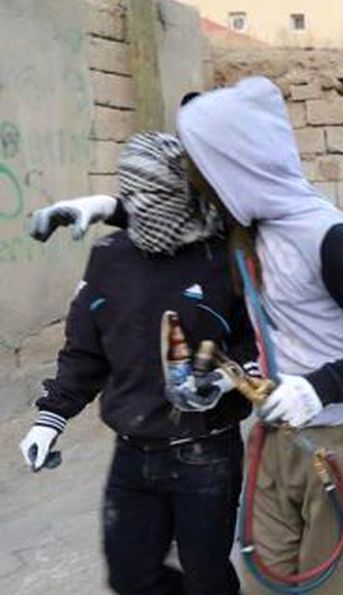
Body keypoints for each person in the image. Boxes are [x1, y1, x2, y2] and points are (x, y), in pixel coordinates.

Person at [178, 77, 343, 595]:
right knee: (265, 580)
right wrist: (229, 378)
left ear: (239, 167)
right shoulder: (249, 232)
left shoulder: (326, 235)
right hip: (275, 436)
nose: (202, 188)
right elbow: (270, 328)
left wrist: (317, 388)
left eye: (207, 172)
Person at [18, 132, 253, 594]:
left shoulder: (224, 258)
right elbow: (85, 352)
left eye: (155, 195)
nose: (144, 207)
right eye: (133, 194)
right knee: (130, 576)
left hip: (206, 453)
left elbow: (259, 345)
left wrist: (226, 379)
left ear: (183, 193)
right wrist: (51, 418)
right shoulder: (109, 257)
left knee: (206, 577)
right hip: (132, 451)